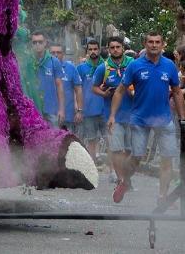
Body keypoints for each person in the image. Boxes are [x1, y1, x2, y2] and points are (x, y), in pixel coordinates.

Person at [110, 31, 185, 206]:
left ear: (162, 44)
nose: (154, 45)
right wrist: (112, 115)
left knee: (167, 158)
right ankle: (125, 181)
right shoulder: (135, 66)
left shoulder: (170, 66)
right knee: (137, 157)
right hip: (140, 119)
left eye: (157, 42)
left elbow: (176, 91)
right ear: (145, 43)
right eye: (150, 42)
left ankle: (162, 196)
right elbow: (120, 90)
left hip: (164, 120)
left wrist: (182, 117)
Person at [93, 35, 134, 202]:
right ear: (108, 50)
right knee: (117, 150)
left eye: (118, 47)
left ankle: (126, 177)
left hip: (132, 115)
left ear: (122, 48)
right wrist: (104, 93)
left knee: (130, 151)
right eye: (112, 47)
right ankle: (121, 180)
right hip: (112, 116)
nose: (115, 50)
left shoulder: (132, 64)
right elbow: (94, 87)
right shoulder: (103, 67)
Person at [77, 38, 106, 161]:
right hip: (88, 111)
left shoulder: (107, 66)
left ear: (99, 50)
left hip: (105, 110)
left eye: (95, 49)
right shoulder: (81, 68)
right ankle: (92, 167)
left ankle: (112, 171)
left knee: (110, 142)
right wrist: (79, 109)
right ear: (87, 51)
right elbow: (77, 89)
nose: (93, 51)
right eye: (90, 49)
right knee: (91, 140)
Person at [30, 31, 64, 126]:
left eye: (40, 42)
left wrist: (61, 110)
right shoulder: (28, 62)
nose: (37, 45)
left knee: (55, 139)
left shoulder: (54, 61)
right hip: (33, 110)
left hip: (51, 110)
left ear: (45, 43)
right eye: (34, 42)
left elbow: (59, 86)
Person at [50, 42, 82, 132]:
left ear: (63, 53)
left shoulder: (71, 68)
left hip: (68, 117)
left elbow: (78, 90)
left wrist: (79, 111)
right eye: (53, 53)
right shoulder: (44, 68)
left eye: (58, 52)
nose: (56, 55)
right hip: (49, 117)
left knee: (69, 144)